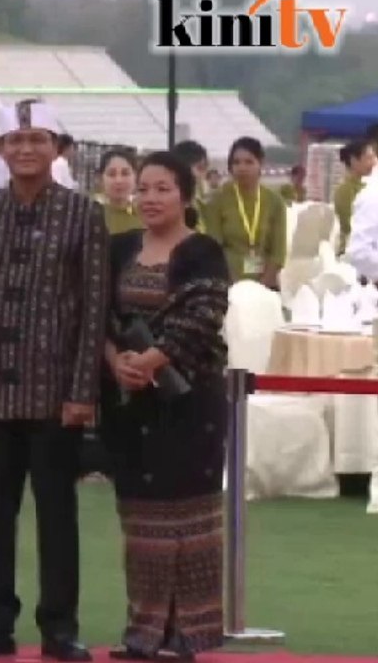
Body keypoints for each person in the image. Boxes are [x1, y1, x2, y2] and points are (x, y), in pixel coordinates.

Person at [0, 100, 107, 662]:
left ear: (57, 147)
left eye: (37, 139)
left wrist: (84, 391)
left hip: (55, 391)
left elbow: (93, 311)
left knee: (56, 511)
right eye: (15, 139)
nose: (24, 149)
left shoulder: (83, 215)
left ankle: (59, 627)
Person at [101, 151, 230, 660]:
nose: (150, 198)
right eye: (144, 187)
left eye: (162, 188)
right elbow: (98, 316)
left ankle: (185, 635)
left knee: (189, 520)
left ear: (184, 195)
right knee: (141, 523)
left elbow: (203, 317)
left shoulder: (203, 251)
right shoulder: (119, 248)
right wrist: (116, 363)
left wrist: (152, 360)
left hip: (189, 401)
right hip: (130, 404)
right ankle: (142, 633)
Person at [201, 137, 286, 287]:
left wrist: (260, 288)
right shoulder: (217, 200)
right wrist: (234, 287)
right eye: (236, 162)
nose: (242, 167)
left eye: (249, 162)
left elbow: (278, 253)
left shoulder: (275, 201)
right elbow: (214, 251)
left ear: (260, 164)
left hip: (265, 284)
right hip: (226, 282)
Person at [332, 140, 376, 254]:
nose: (373, 163)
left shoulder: (368, 186)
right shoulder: (345, 190)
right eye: (368, 158)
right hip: (353, 252)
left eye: (373, 158)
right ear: (354, 161)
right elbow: (350, 225)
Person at [99, 148, 143, 235]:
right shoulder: (91, 214)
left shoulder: (146, 213)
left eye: (125, 173)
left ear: (136, 177)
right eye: (111, 174)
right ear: (100, 179)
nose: (118, 181)